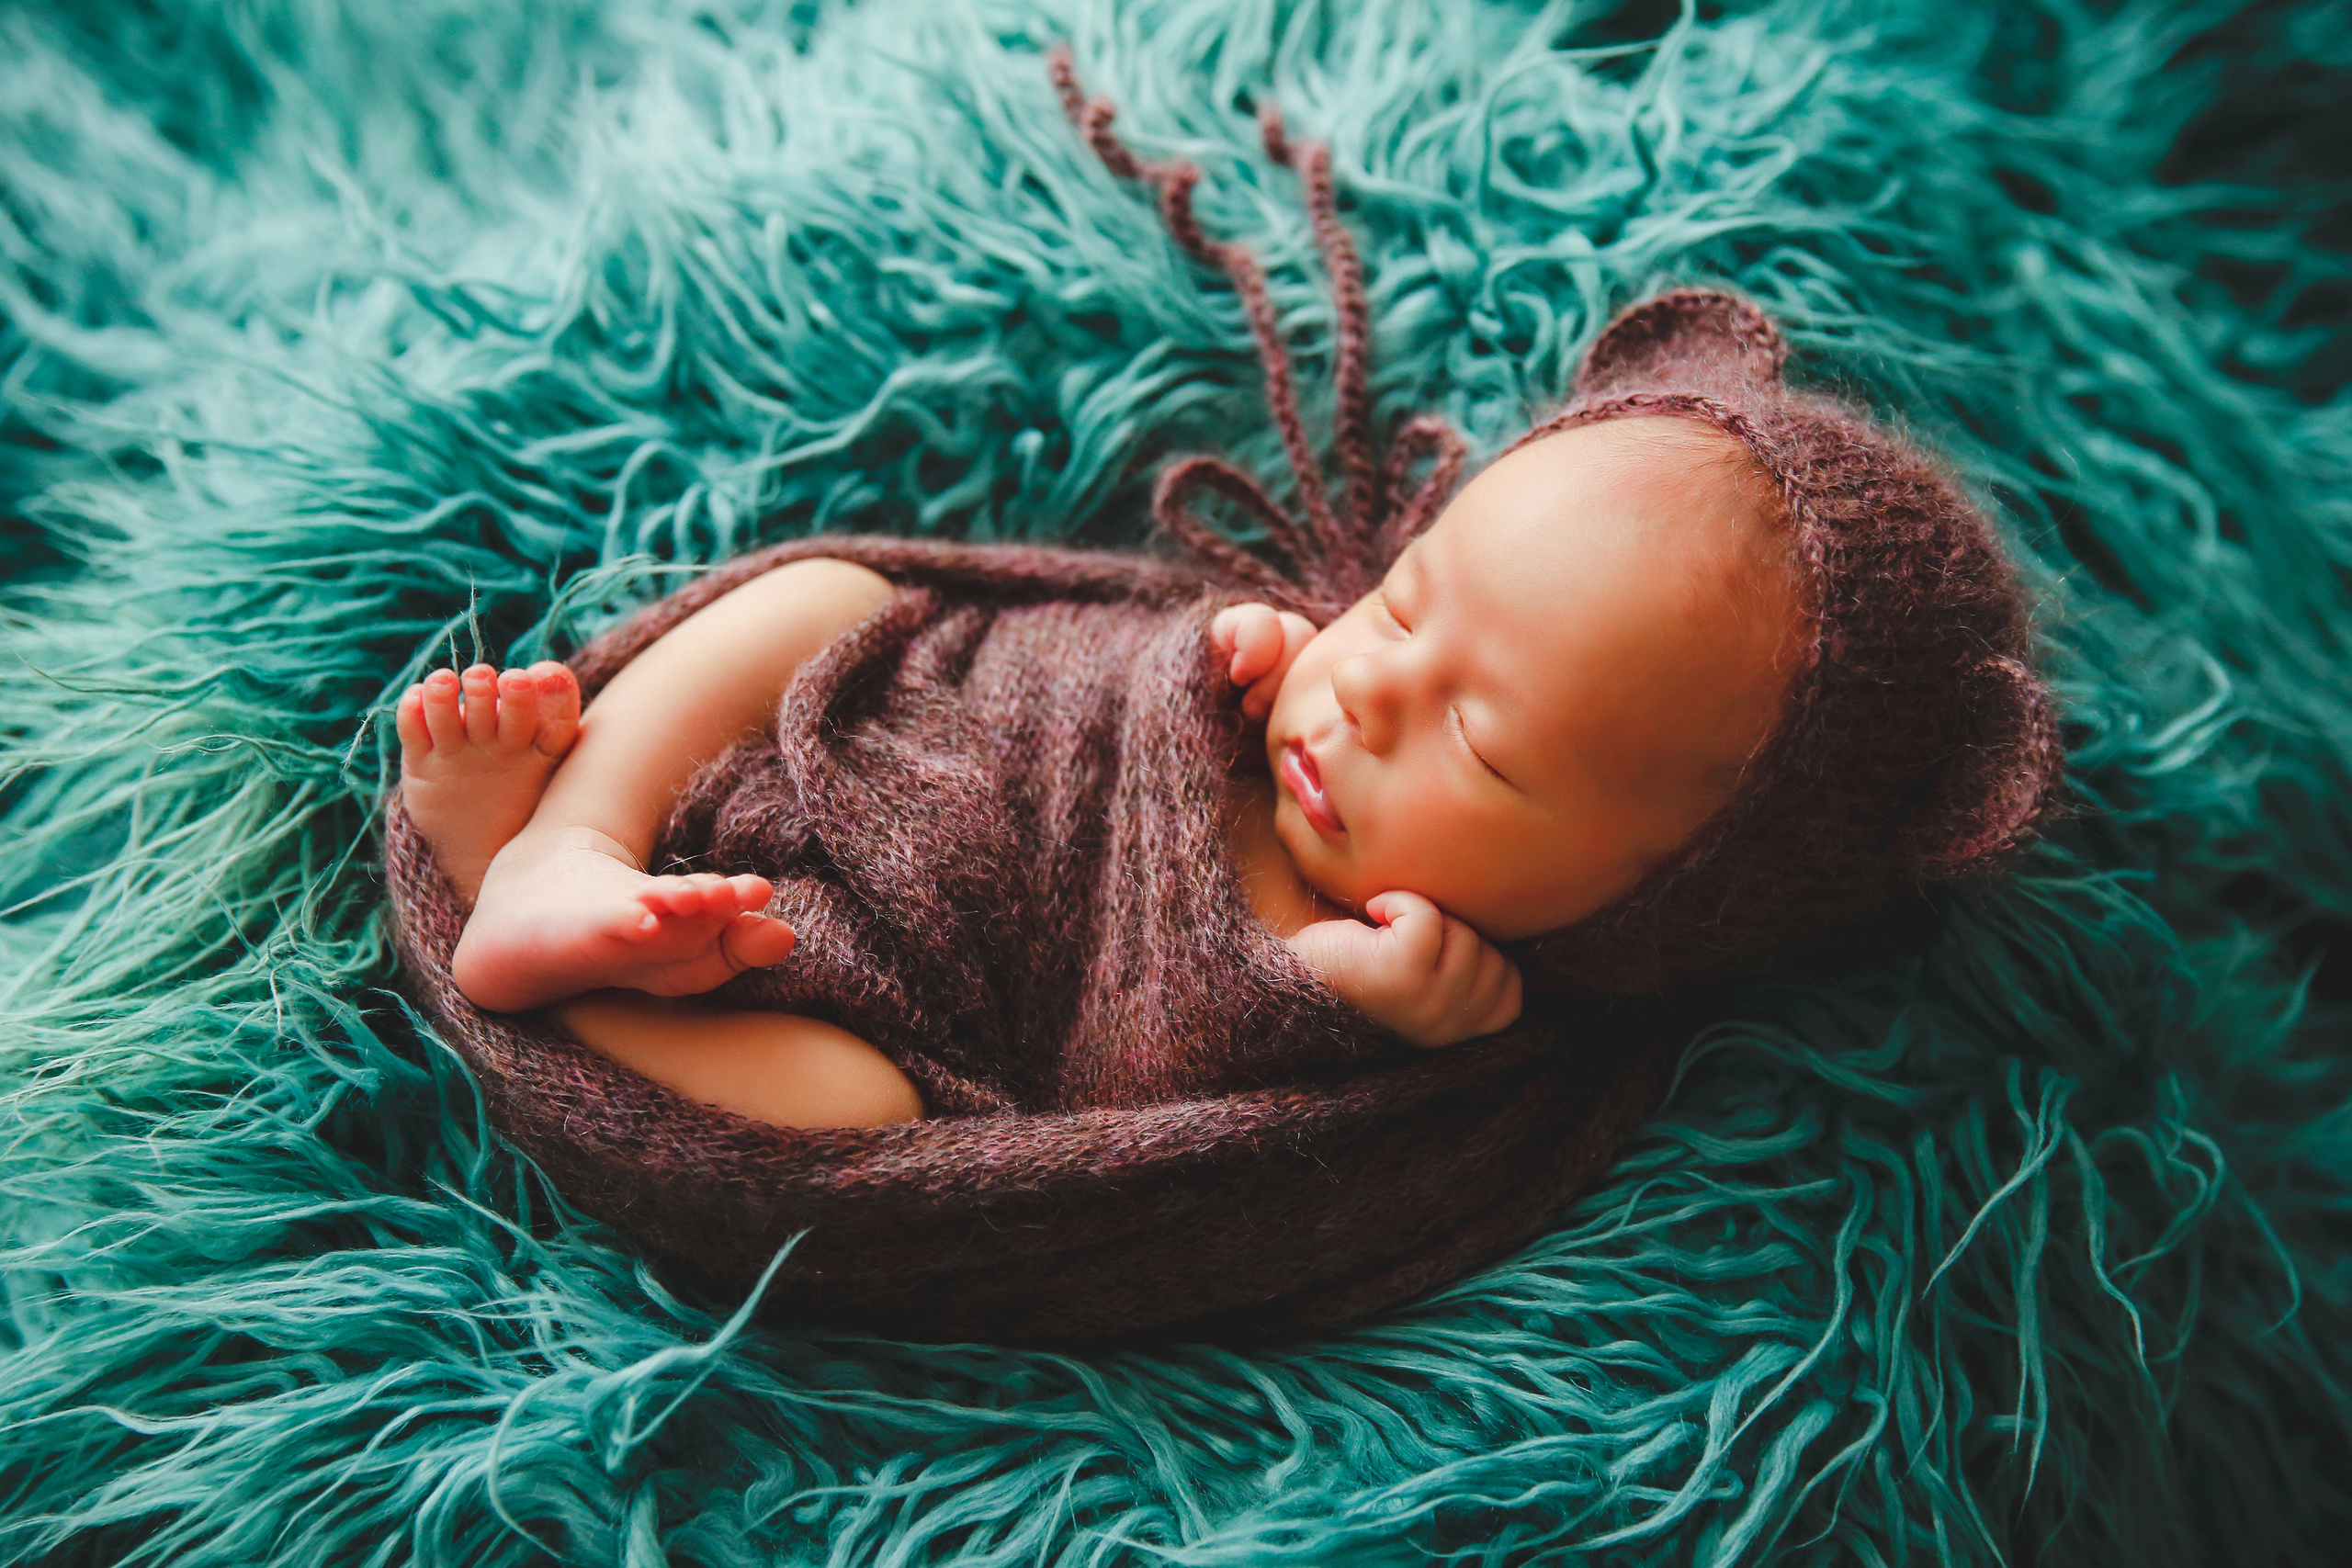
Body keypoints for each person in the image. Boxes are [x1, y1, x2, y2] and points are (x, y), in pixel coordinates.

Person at [396, 407, 1806, 1129]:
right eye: (1402, 604)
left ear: (1637, 904)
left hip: (872, 980)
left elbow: (1125, 1082)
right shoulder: (1298, 680)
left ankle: (553, 958)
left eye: (1480, 744)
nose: (1369, 691)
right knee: (826, 593)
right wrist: (1219, 659)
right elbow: (1080, 649)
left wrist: (1324, 999)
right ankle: (567, 838)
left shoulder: (1412, 998)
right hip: (899, 729)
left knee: (859, 1118)